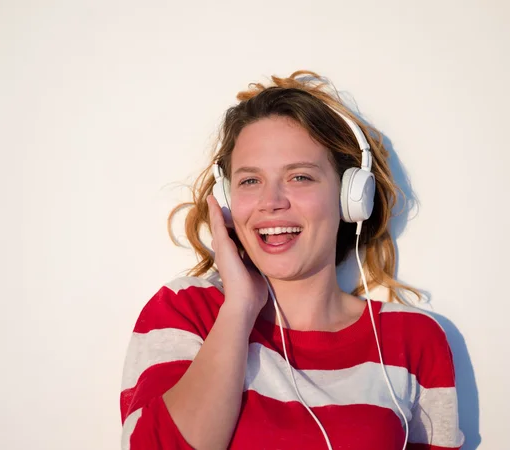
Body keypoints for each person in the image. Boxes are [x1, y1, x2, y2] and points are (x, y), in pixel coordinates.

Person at [119, 70, 465, 450]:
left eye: (300, 177)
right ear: (227, 199)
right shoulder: (186, 310)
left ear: (352, 198)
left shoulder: (413, 338)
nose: (272, 202)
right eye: (250, 181)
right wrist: (239, 308)